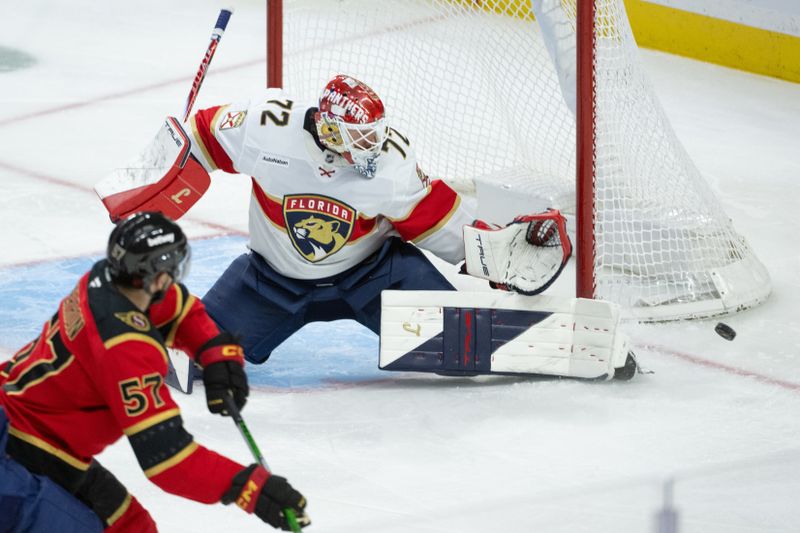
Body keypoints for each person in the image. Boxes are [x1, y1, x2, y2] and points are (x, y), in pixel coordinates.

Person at [0, 212, 310, 531]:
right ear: (156, 277)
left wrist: (217, 354)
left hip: (25, 427)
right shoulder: (125, 348)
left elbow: (179, 309)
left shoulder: (106, 280)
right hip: (29, 451)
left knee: (134, 525)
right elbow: (168, 460)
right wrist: (250, 487)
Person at [187, 74, 476, 365]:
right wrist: (173, 166)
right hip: (272, 282)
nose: (373, 144)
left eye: (373, 133)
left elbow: (432, 215)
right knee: (198, 352)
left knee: (463, 347)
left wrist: (486, 257)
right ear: (331, 131)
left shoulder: (391, 161)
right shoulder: (266, 129)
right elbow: (202, 135)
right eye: (360, 136)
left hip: (374, 276)